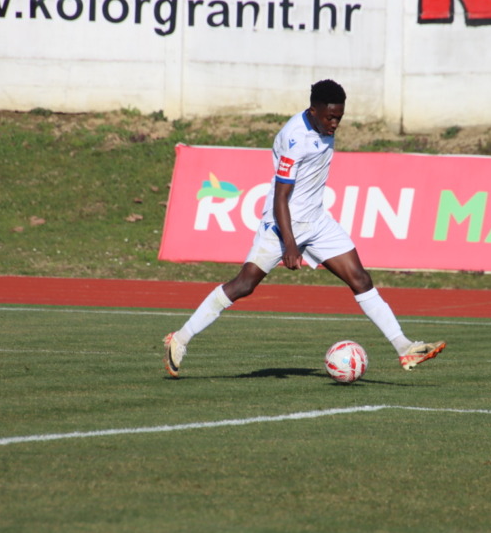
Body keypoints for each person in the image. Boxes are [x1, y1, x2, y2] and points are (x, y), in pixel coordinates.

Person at [163, 79, 445, 377]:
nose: (335, 124)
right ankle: (179, 339)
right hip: (282, 223)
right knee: (244, 285)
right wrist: (290, 244)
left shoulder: (323, 126)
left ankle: (404, 347)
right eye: (330, 117)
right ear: (314, 111)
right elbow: (280, 197)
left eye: (339, 117)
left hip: (317, 221)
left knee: (360, 279)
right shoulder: (295, 139)